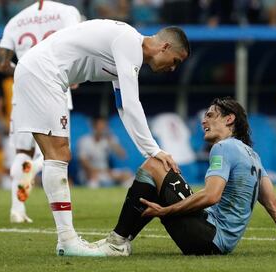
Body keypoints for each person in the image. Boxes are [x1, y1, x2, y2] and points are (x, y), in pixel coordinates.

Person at [13, 19, 189, 256]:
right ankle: (67, 241)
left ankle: (65, 239)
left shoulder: (126, 53)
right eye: (176, 61)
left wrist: (150, 151)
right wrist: (155, 151)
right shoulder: (128, 42)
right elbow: (131, 103)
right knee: (59, 153)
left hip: (37, 71)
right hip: (44, 73)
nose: (173, 68)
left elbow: (123, 107)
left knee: (55, 155)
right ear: (165, 47)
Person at [78, 97, 276, 257]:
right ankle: (120, 242)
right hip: (221, 242)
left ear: (229, 120)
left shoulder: (224, 147)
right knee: (162, 169)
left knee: (155, 163)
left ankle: (117, 241)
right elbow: (274, 206)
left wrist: (166, 212)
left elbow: (212, 195)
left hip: (208, 237)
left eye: (211, 115)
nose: (204, 120)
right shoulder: (253, 156)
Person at [0, 0, 81, 224]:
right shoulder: (67, 12)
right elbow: (77, 43)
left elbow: (2, 64)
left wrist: (25, 69)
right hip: (54, 86)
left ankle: (17, 209)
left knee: (22, 150)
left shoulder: (16, 21)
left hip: (23, 89)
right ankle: (34, 168)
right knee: (58, 152)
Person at [77, 117, 132, 188]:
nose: (102, 129)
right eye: (100, 127)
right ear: (94, 127)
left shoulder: (108, 139)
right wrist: (96, 171)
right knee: (93, 179)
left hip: (105, 171)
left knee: (127, 175)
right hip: (89, 173)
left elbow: (122, 155)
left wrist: (111, 141)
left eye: (104, 127)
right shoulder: (84, 141)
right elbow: (83, 162)